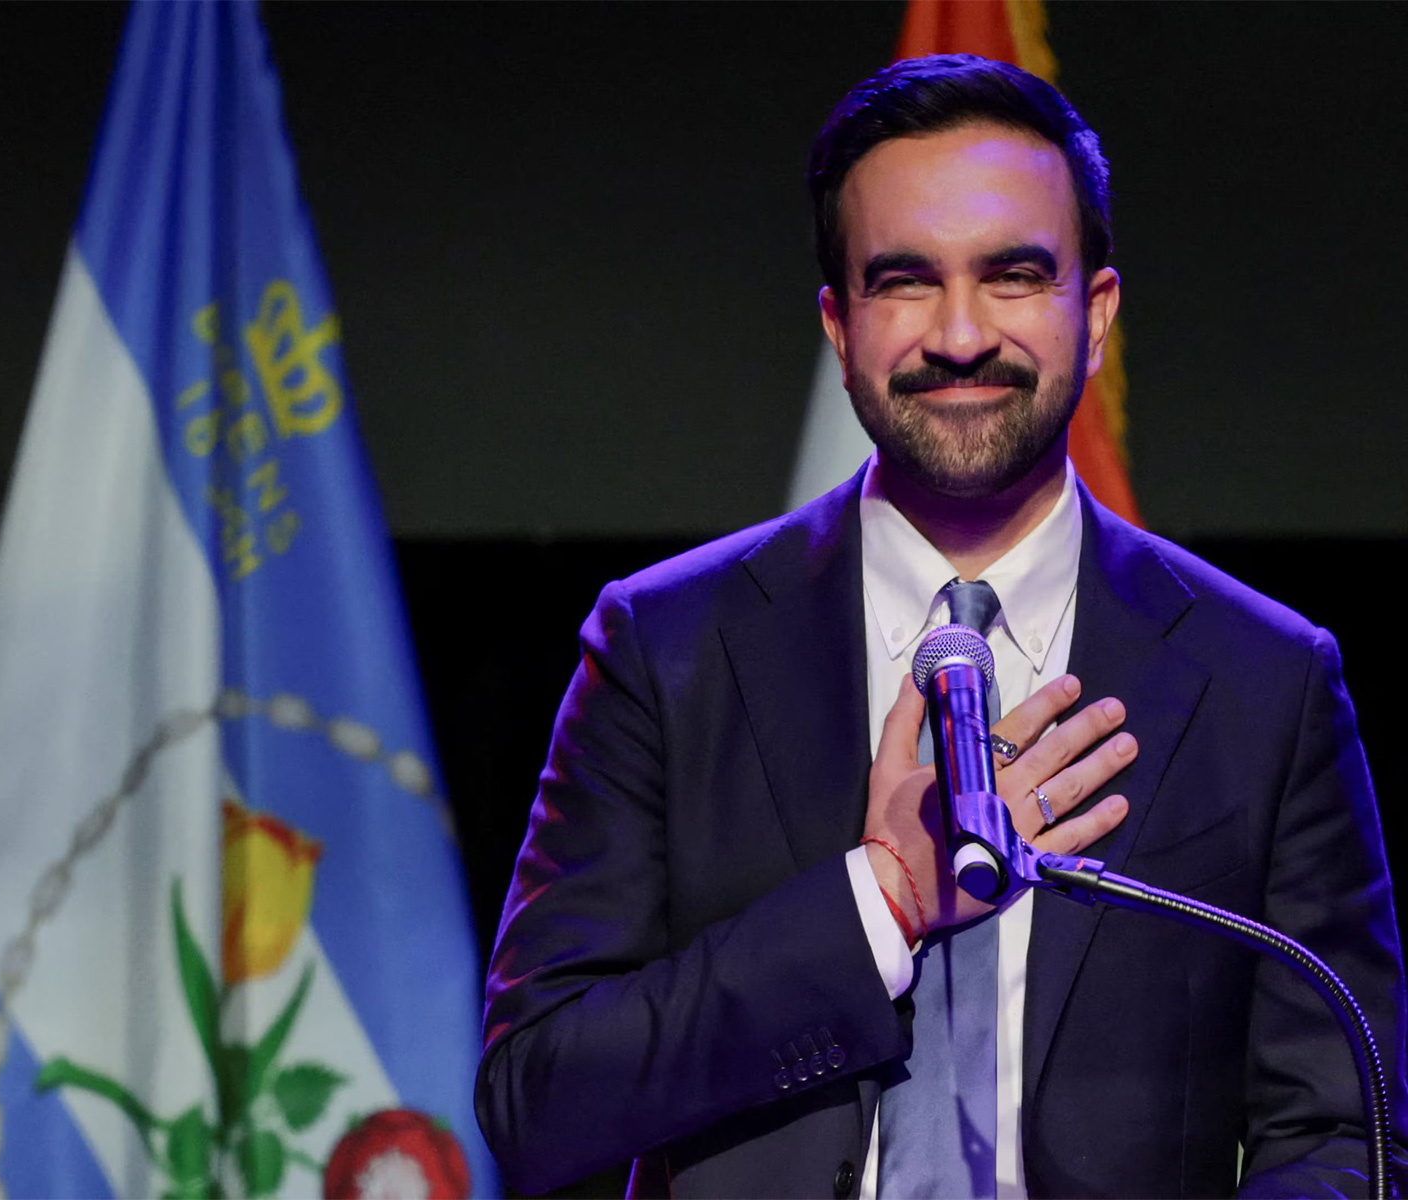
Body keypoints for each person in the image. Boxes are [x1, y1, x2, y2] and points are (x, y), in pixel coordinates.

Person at [475, 55, 1405, 1198]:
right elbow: (536, 1101)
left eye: (1013, 275)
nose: (960, 335)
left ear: (1095, 311)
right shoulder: (667, 650)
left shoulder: (1264, 681)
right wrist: (882, 901)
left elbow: (1337, 1133)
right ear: (837, 322)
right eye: (904, 281)